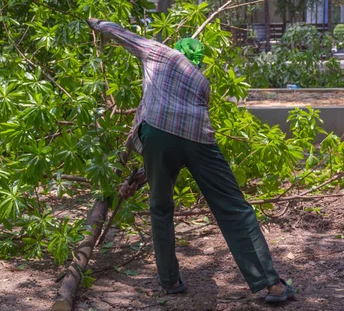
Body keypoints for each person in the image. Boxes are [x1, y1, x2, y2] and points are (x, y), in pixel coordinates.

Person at [87, 18, 293, 303]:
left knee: (160, 209)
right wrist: (141, 175)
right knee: (234, 208)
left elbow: (120, 34)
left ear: (177, 49)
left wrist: (96, 23)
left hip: (156, 134)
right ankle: (272, 285)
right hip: (198, 138)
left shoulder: (159, 52)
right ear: (196, 62)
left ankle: (170, 281)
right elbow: (182, 141)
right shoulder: (201, 81)